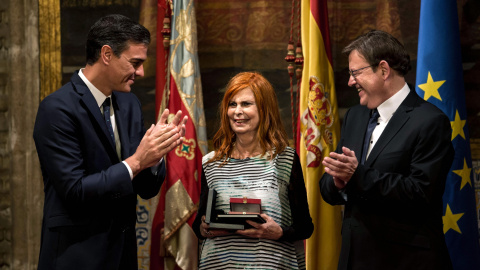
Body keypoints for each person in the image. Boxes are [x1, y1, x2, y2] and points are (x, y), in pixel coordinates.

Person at [33, 14, 187, 270]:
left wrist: (155, 155)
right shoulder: (57, 108)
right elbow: (75, 191)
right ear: (106, 54)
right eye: (135, 63)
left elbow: (146, 188)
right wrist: (137, 160)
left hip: (123, 255)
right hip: (76, 256)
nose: (141, 72)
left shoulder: (130, 104)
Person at [319, 30, 454, 270]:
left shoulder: (430, 121)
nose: (350, 81)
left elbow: (421, 193)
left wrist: (356, 176)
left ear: (383, 69)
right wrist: (338, 183)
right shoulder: (355, 116)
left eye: (355, 72)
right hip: (354, 258)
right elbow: (330, 185)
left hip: (404, 260)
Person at [192, 72, 314, 269]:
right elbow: (199, 226)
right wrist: (206, 228)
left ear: (264, 109)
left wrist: (279, 232)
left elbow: (305, 227)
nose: (237, 111)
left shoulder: (285, 159)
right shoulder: (211, 163)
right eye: (232, 104)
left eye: (246, 104)